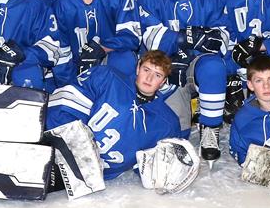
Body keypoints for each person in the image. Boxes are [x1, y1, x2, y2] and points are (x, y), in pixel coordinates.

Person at [137, 0, 229, 164]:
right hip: (166, 70)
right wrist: (193, 37)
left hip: (195, 66)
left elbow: (222, 40)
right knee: (177, 136)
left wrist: (183, 47)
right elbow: (153, 39)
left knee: (214, 66)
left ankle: (210, 128)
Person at [47, 50, 191, 180]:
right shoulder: (106, 78)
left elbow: (151, 168)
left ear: (163, 82)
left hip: (96, 181)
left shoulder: (167, 124)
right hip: (60, 151)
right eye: (146, 70)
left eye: (157, 75)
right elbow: (61, 105)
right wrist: (75, 147)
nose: (149, 78)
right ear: (138, 68)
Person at [52, 0, 140, 87]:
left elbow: (131, 37)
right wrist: (68, 86)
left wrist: (101, 48)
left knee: (124, 59)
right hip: (78, 66)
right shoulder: (62, 4)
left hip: (111, 57)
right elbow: (61, 51)